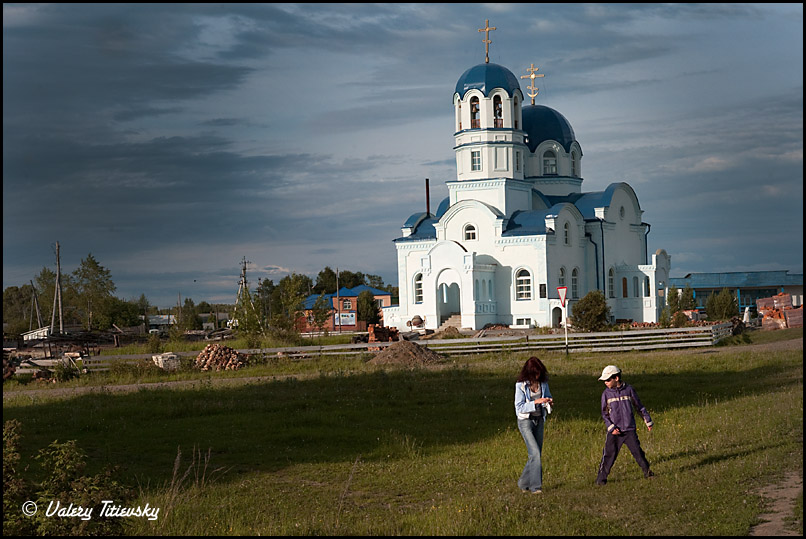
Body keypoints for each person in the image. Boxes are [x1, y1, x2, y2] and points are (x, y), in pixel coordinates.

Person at [595, 365, 654, 485]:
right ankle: (601, 480)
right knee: (608, 455)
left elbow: (639, 406)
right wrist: (611, 427)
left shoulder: (629, 390)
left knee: (638, 452)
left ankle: (648, 472)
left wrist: (647, 420)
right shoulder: (606, 394)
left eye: (607, 380)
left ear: (616, 378)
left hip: (629, 429)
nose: (605, 382)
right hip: (615, 431)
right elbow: (604, 414)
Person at [514, 356, 554, 493]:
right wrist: (535, 403)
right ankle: (535, 487)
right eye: (535, 373)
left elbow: (547, 395)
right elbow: (519, 407)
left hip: (539, 420)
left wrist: (548, 400)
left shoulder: (543, 383)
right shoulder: (520, 385)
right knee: (535, 453)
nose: (537, 376)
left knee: (535, 455)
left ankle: (523, 483)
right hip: (525, 421)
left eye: (539, 373)